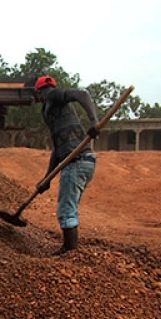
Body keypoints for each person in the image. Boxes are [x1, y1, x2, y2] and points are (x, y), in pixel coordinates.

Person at [34, 75, 101, 255]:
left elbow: (82, 94)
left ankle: (70, 252)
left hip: (77, 162)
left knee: (66, 211)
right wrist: (47, 179)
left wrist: (94, 121)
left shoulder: (54, 97)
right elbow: (58, 150)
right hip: (84, 162)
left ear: (39, 93)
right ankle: (70, 250)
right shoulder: (56, 114)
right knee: (68, 208)